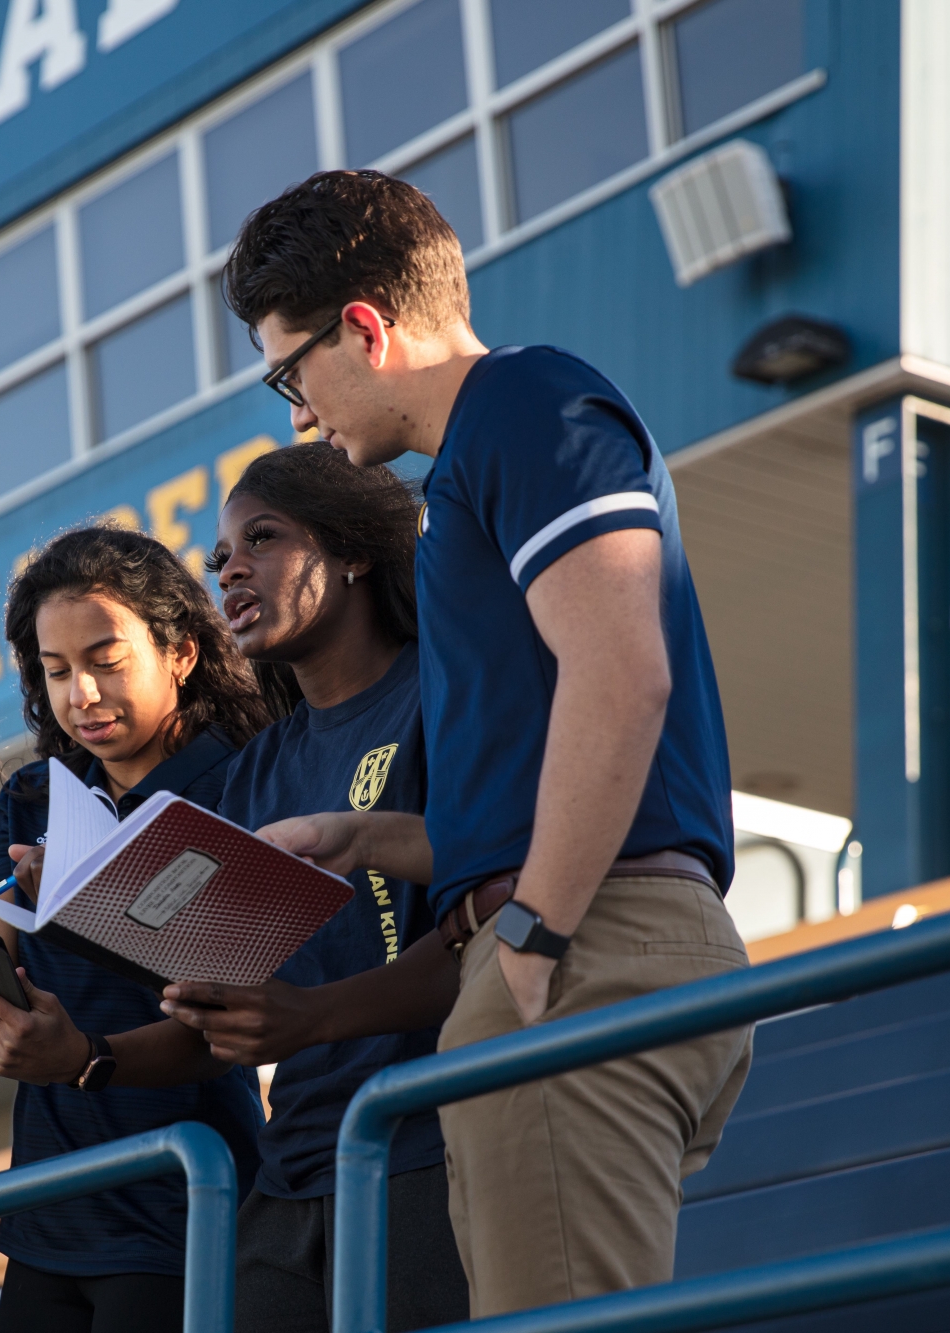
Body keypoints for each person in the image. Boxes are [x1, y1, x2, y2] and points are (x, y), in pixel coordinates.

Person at [222, 169, 750, 1317]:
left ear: (361, 326)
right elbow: (533, 769)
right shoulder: (466, 470)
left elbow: (620, 673)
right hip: (568, 944)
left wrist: (531, 934)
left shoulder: (522, 402)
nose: (296, 413)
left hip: (582, 943)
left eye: (288, 371)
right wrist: (361, 834)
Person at [154, 442, 469, 1331]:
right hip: (290, 1166)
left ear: (354, 550)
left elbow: (497, 911)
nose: (231, 570)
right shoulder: (253, 775)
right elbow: (230, 985)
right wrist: (79, 1044)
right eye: (219, 558)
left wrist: (314, 1016)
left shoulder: (444, 692)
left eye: (261, 537)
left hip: (429, 1139)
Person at [0, 525, 275, 1333]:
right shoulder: (34, 797)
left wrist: (91, 910)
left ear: (182, 653)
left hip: (185, 1198)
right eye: (55, 672)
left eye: (105, 661)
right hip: (48, 1211)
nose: (81, 693)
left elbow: (231, 1010)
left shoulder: (243, 779)